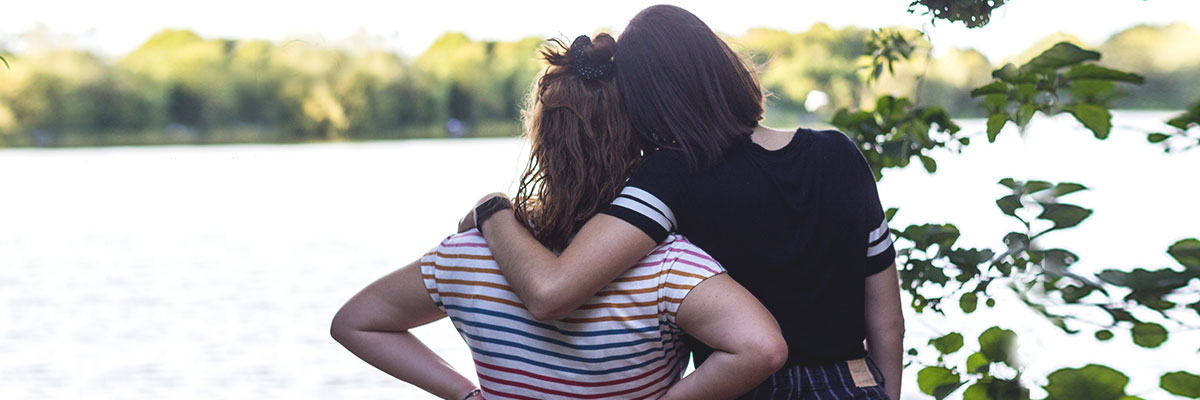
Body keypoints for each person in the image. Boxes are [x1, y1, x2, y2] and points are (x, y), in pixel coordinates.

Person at [465, 6, 905, 400]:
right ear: (722, 65)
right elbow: (887, 324)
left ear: (644, 101)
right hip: (858, 385)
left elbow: (551, 293)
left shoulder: (673, 174)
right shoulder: (839, 154)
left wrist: (493, 211)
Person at [331, 33, 788, 400]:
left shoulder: (467, 255)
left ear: (540, 138)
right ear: (639, 141)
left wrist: (467, 394)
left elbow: (355, 322)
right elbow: (761, 349)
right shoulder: (668, 265)